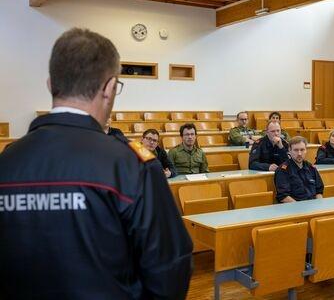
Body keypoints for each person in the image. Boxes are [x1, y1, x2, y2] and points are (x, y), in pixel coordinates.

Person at [0, 28, 192, 299]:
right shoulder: (132, 165)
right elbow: (169, 269)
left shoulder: (7, 161)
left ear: (50, 83)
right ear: (110, 87)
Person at [274, 136, 323, 202]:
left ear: (306, 150)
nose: (299, 154)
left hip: (313, 207)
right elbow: (283, 197)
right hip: (294, 208)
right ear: (289, 151)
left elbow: (319, 191)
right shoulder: (283, 170)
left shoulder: (311, 168)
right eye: (296, 150)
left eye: (302, 150)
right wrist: (300, 207)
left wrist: (319, 204)